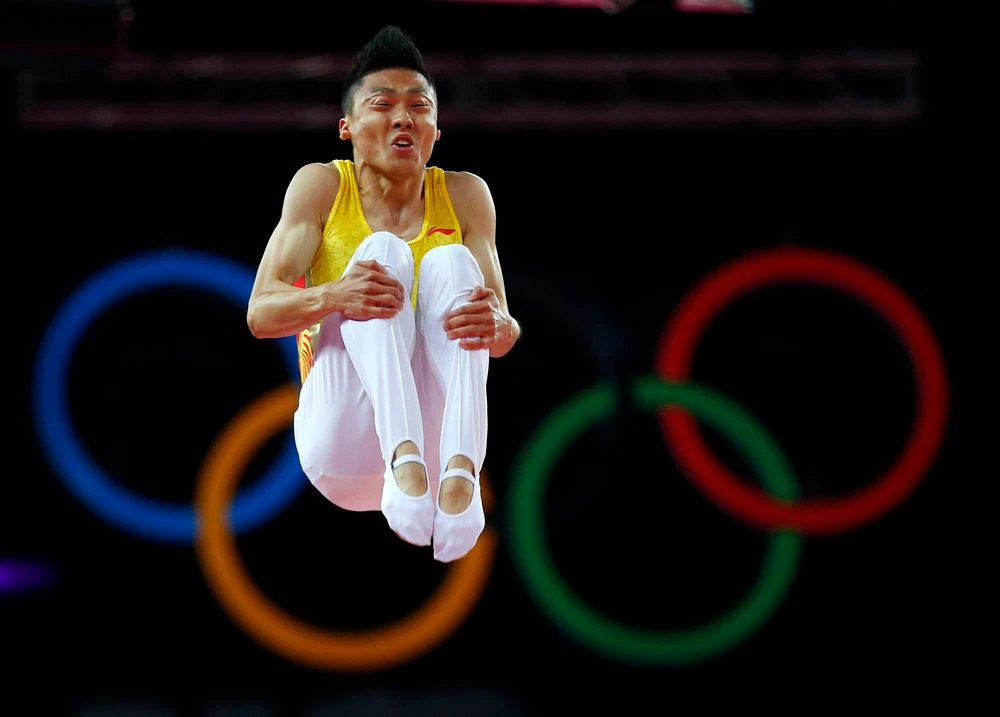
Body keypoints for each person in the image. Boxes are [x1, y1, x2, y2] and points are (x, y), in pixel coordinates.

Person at [246, 25, 520, 563]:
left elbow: (501, 331)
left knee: (451, 264)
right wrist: (333, 295)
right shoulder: (322, 186)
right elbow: (260, 313)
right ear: (346, 126)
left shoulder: (466, 195)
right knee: (382, 254)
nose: (403, 118)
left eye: (419, 106)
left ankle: (460, 472)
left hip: (434, 447)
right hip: (342, 440)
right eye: (383, 104)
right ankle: (401, 453)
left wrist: (500, 326)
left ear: (436, 129)